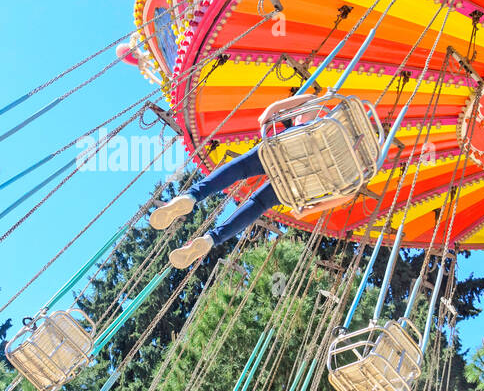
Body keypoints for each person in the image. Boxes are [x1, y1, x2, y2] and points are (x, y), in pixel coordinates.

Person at [152, 94, 354, 268]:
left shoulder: (316, 122)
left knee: (242, 168)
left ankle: (192, 196)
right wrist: (310, 209)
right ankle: (211, 238)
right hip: (302, 179)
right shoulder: (351, 165)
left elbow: (310, 99)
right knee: (260, 203)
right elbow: (347, 194)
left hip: (287, 149)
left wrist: (271, 110)